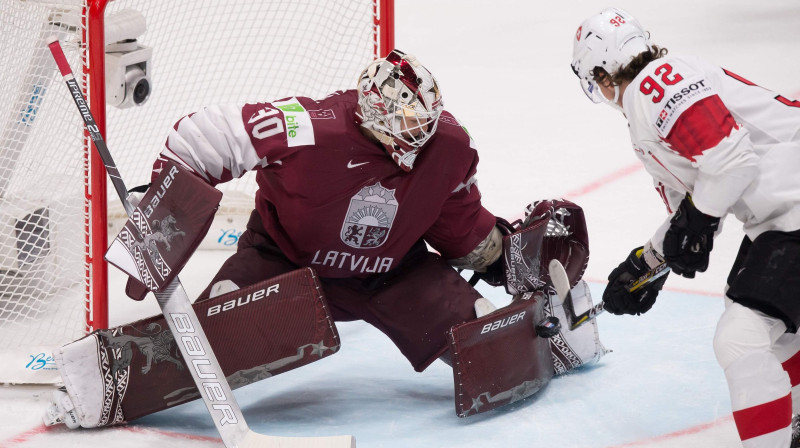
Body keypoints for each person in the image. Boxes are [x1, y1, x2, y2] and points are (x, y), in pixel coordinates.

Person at [43, 49, 606, 429]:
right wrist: (159, 228)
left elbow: (459, 224)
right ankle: (93, 386)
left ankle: (563, 337)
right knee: (211, 328)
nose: (420, 137)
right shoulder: (309, 125)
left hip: (396, 274)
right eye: (407, 127)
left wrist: (500, 257)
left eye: (426, 125)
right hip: (283, 259)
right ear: (374, 113)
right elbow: (201, 137)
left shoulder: (449, 146)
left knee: (489, 333)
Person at [571, 7, 800, 448]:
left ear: (601, 71)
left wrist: (696, 219)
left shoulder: (657, 84)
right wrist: (645, 267)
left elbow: (730, 159)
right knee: (778, 332)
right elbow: (694, 211)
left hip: (791, 211)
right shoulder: (653, 102)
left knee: (740, 338)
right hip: (782, 218)